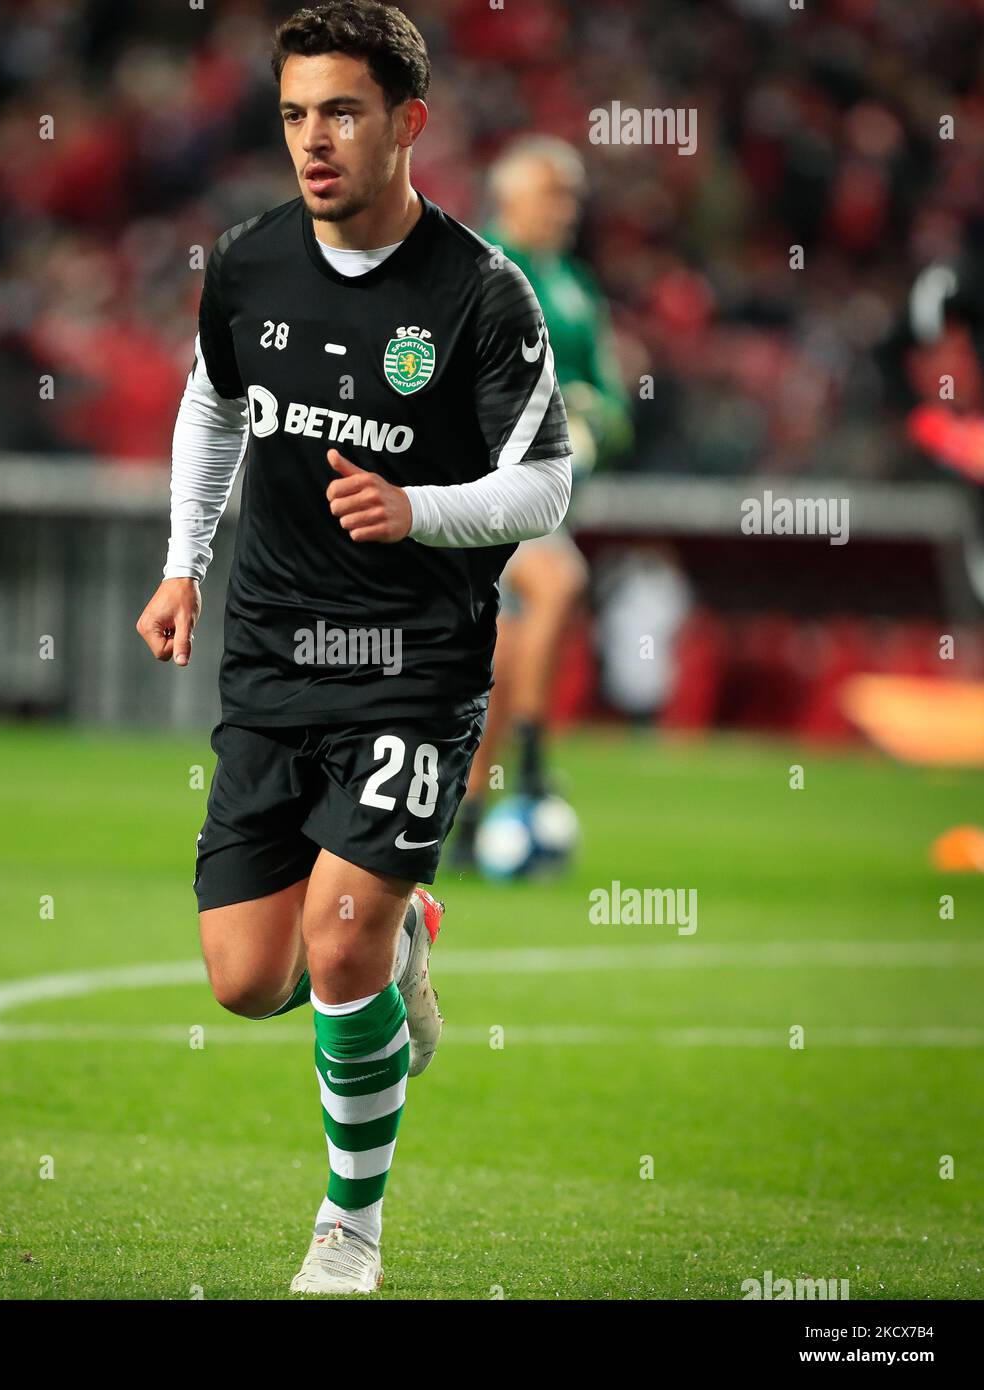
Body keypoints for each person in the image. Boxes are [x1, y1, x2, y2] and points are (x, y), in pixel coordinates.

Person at [135, 0, 572, 1294]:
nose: (312, 140)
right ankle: (407, 931)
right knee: (244, 978)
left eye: (340, 111)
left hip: (414, 658)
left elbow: (544, 485)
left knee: (336, 943)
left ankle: (350, 1226)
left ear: (407, 123)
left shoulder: (481, 291)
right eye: (293, 115)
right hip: (271, 654)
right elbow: (209, 406)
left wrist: (419, 511)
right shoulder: (251, 263)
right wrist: (182, 563)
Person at [452, 137, 630, 861]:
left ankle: (468, 815)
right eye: (552, 195)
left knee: (506, 650)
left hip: (545, 498)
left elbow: (616, 404)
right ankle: (530, 767)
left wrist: (590, 424)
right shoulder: (473, 269)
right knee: (559, 581)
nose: (566, 210)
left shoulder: (577, 287)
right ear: (509, 198)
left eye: (572, 198)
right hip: (478, 490)